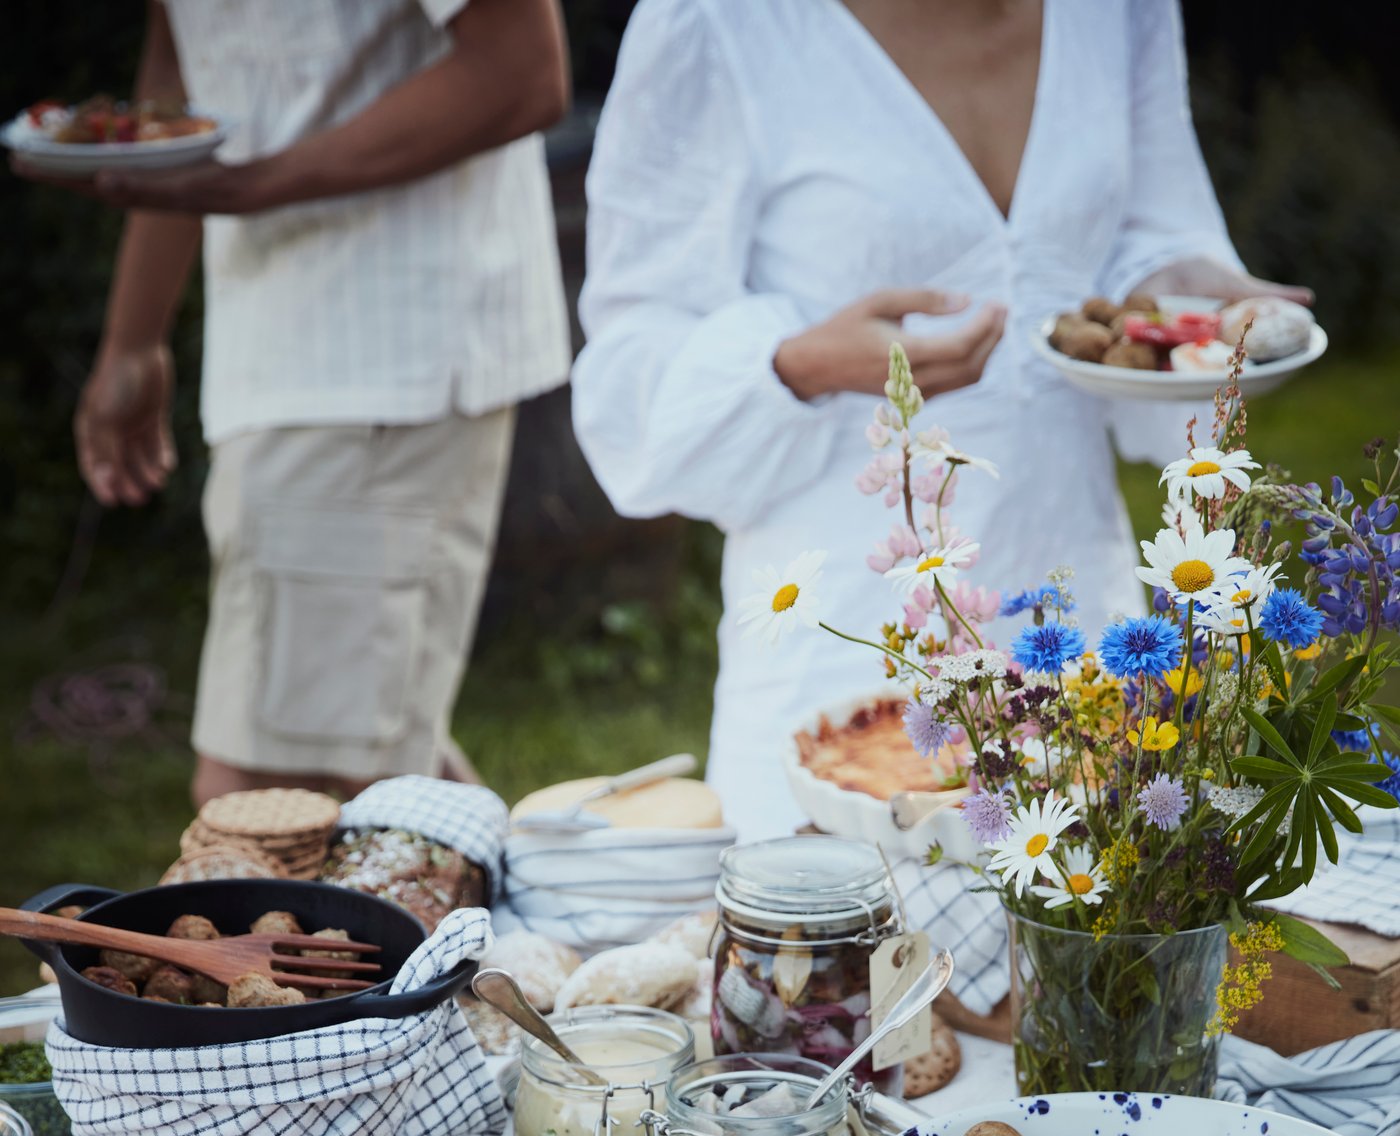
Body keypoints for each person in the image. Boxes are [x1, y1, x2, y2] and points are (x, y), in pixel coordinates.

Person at [572, 0, 1310, 842]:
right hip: (845, 660)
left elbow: (1140, 234)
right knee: (841, 921)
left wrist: (1188, 308)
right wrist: (804, 363)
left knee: (1100, 906)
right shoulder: (713, 22)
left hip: (1082, 628)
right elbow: (630, 378)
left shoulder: (1119, 11)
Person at [25, 0, 572, 806]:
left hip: (376, 347)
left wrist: (254, 186)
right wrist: (132, 338)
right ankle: (567, 889)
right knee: (369, 778)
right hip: (286, 353)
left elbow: (520, 69)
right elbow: (183, 69)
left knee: (272, 798)